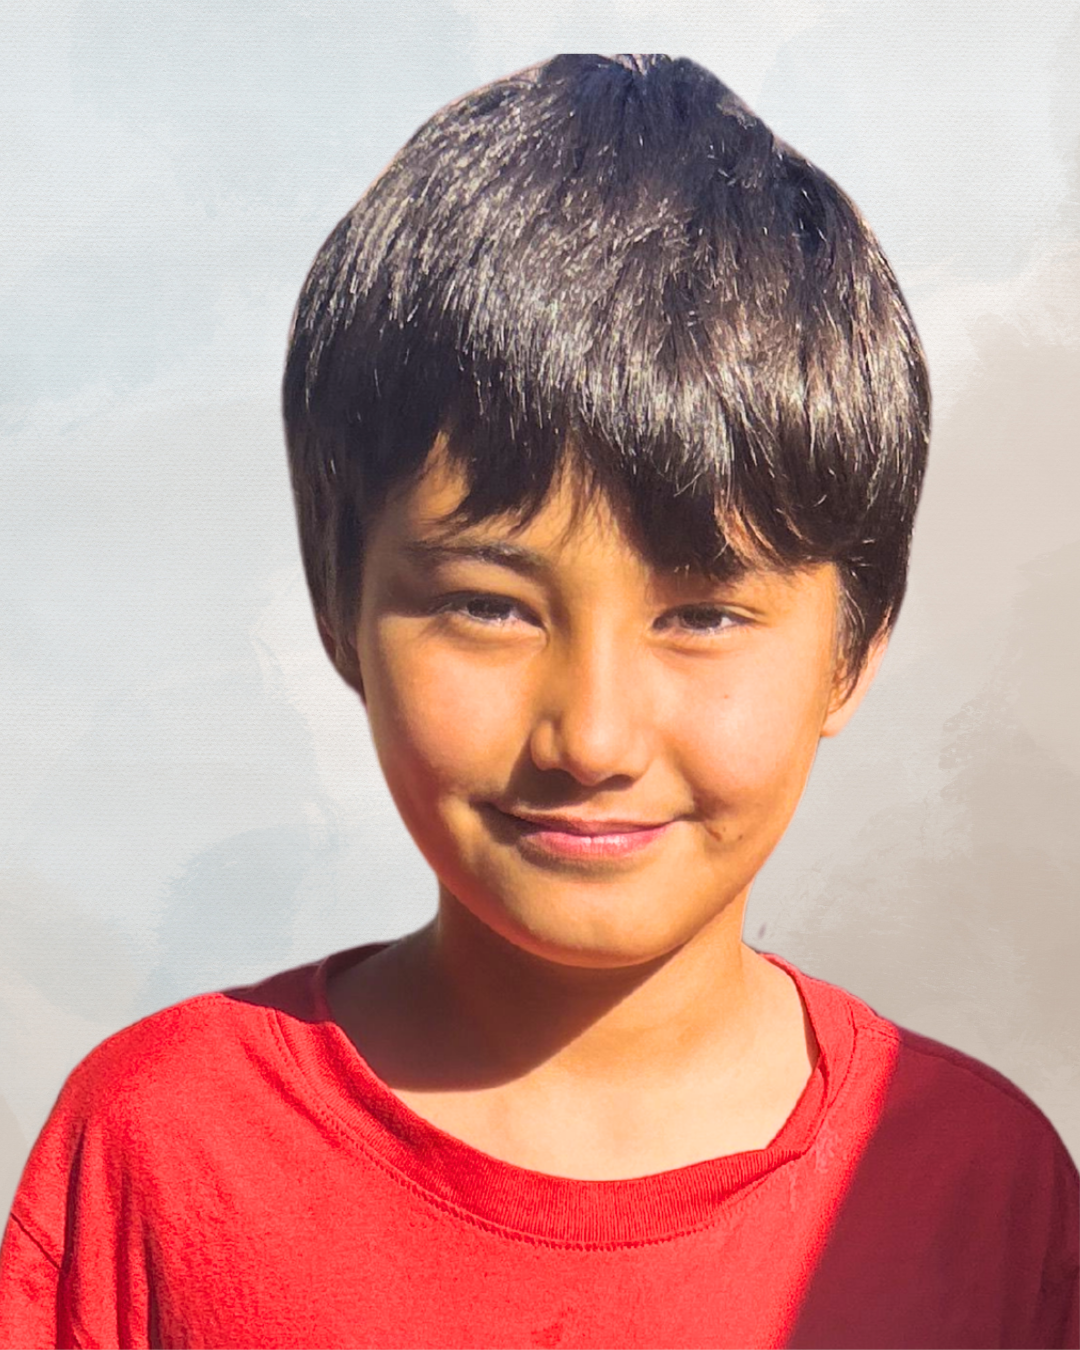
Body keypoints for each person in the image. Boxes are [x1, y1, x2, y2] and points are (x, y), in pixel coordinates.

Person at [0, 52, 1075, 1350]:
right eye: (489, 605)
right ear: (340, 604)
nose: (594, 735)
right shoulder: (163, 1154)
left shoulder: (983, 1192)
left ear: (854, 650)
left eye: (703, 615)